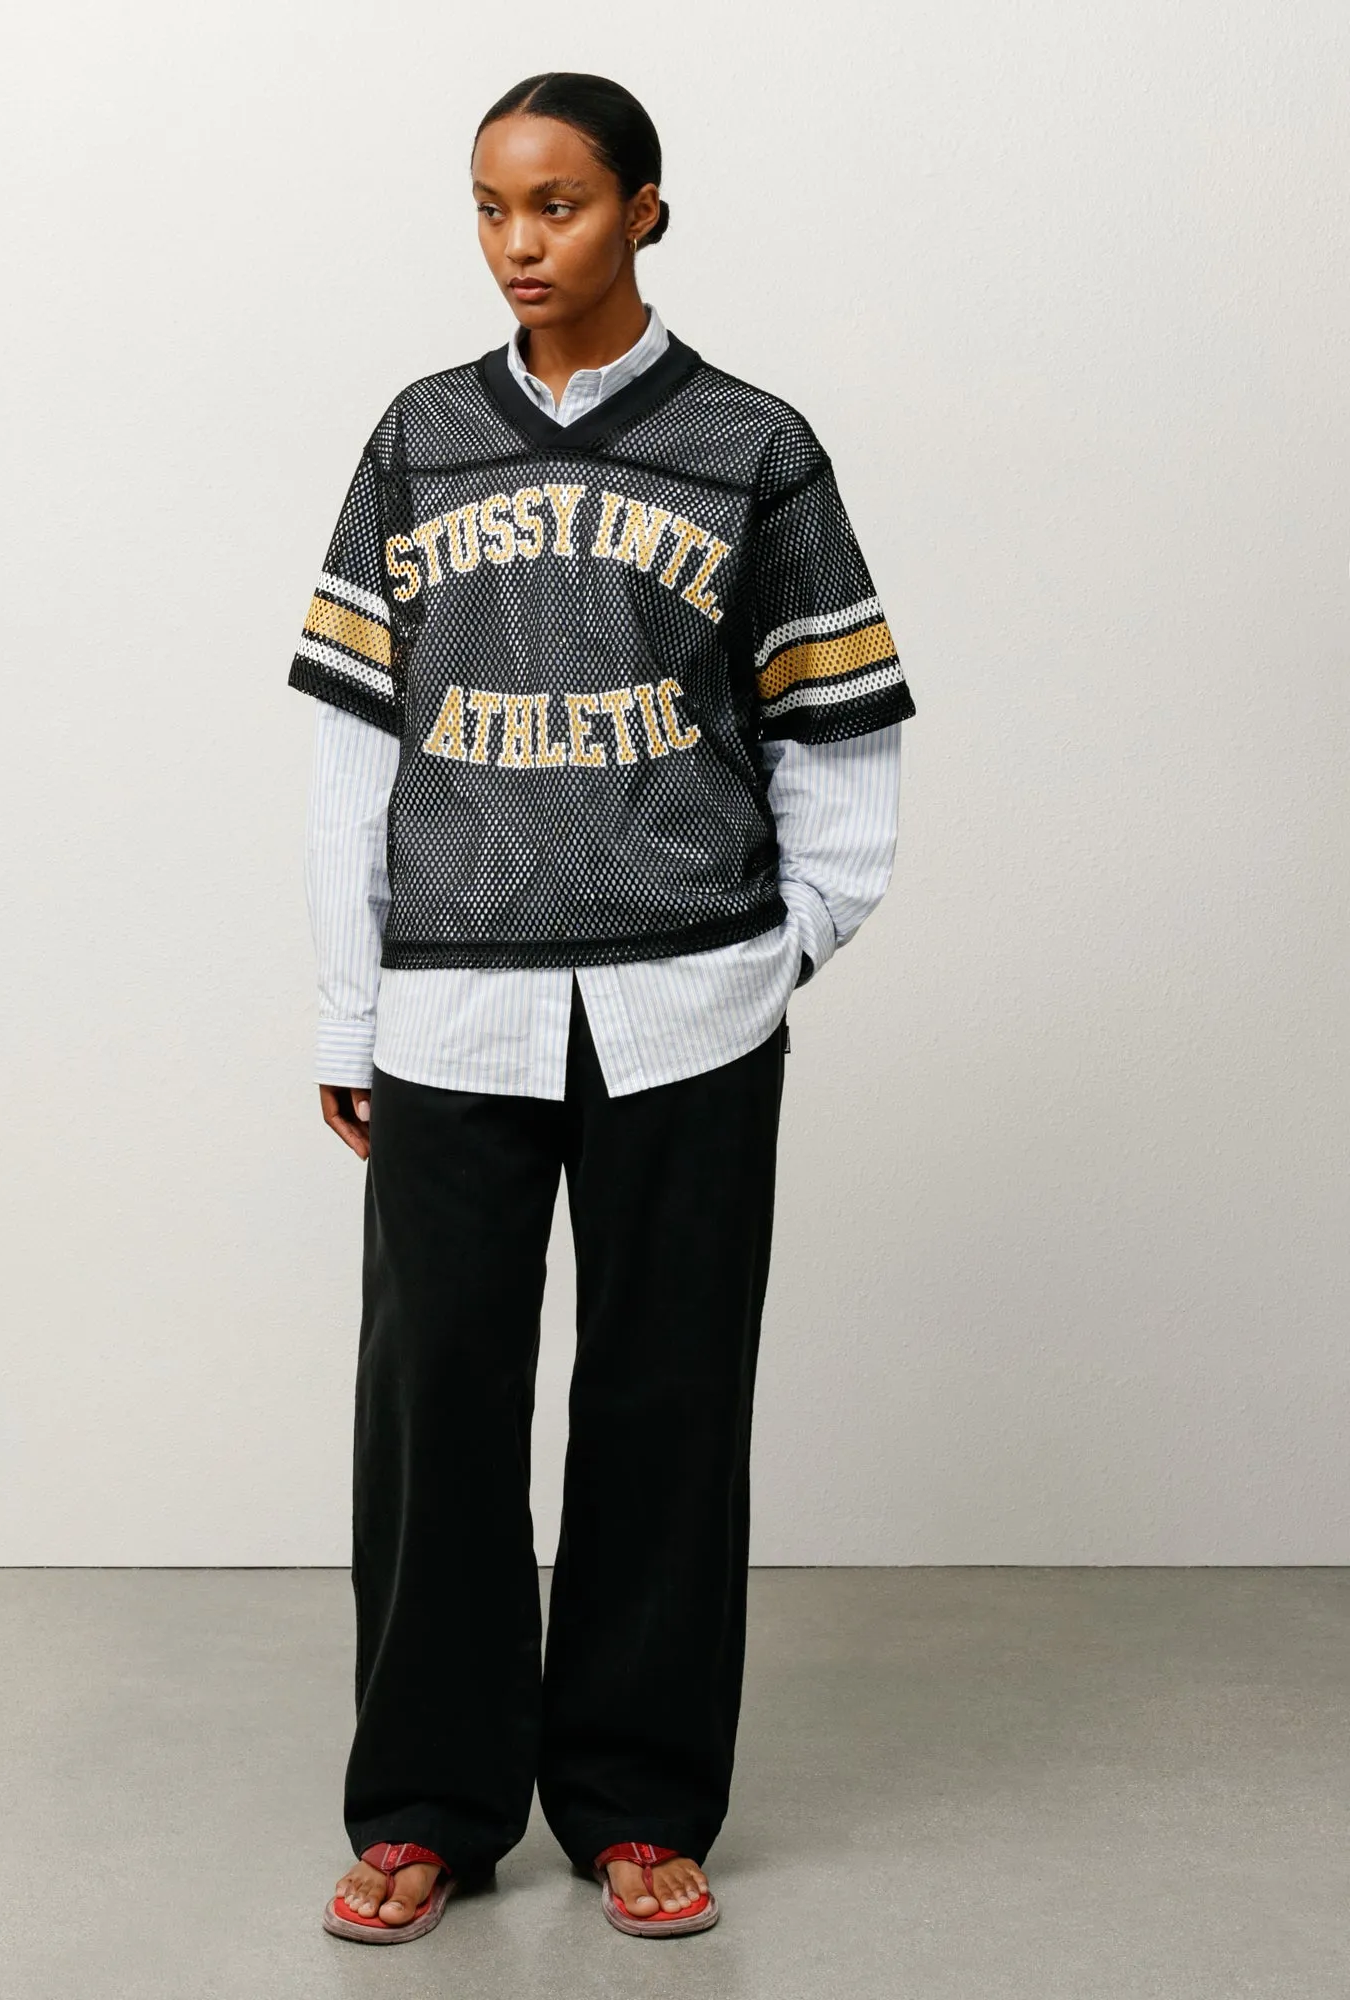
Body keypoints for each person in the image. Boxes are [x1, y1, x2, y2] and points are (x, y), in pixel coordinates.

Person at [291, 71, 917, 1944]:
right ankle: (428, 1805)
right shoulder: (418, 441)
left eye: (555, 205)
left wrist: (774, 950)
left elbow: (836, 730)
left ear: (645, 208)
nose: (518, 244)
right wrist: (345, 1010)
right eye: (491, 208)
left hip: (688, 1019)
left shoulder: (752, 447)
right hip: (452, 1018)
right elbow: (351, 747)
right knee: (435, 1410)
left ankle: (641, 1802)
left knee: (667, 1402)